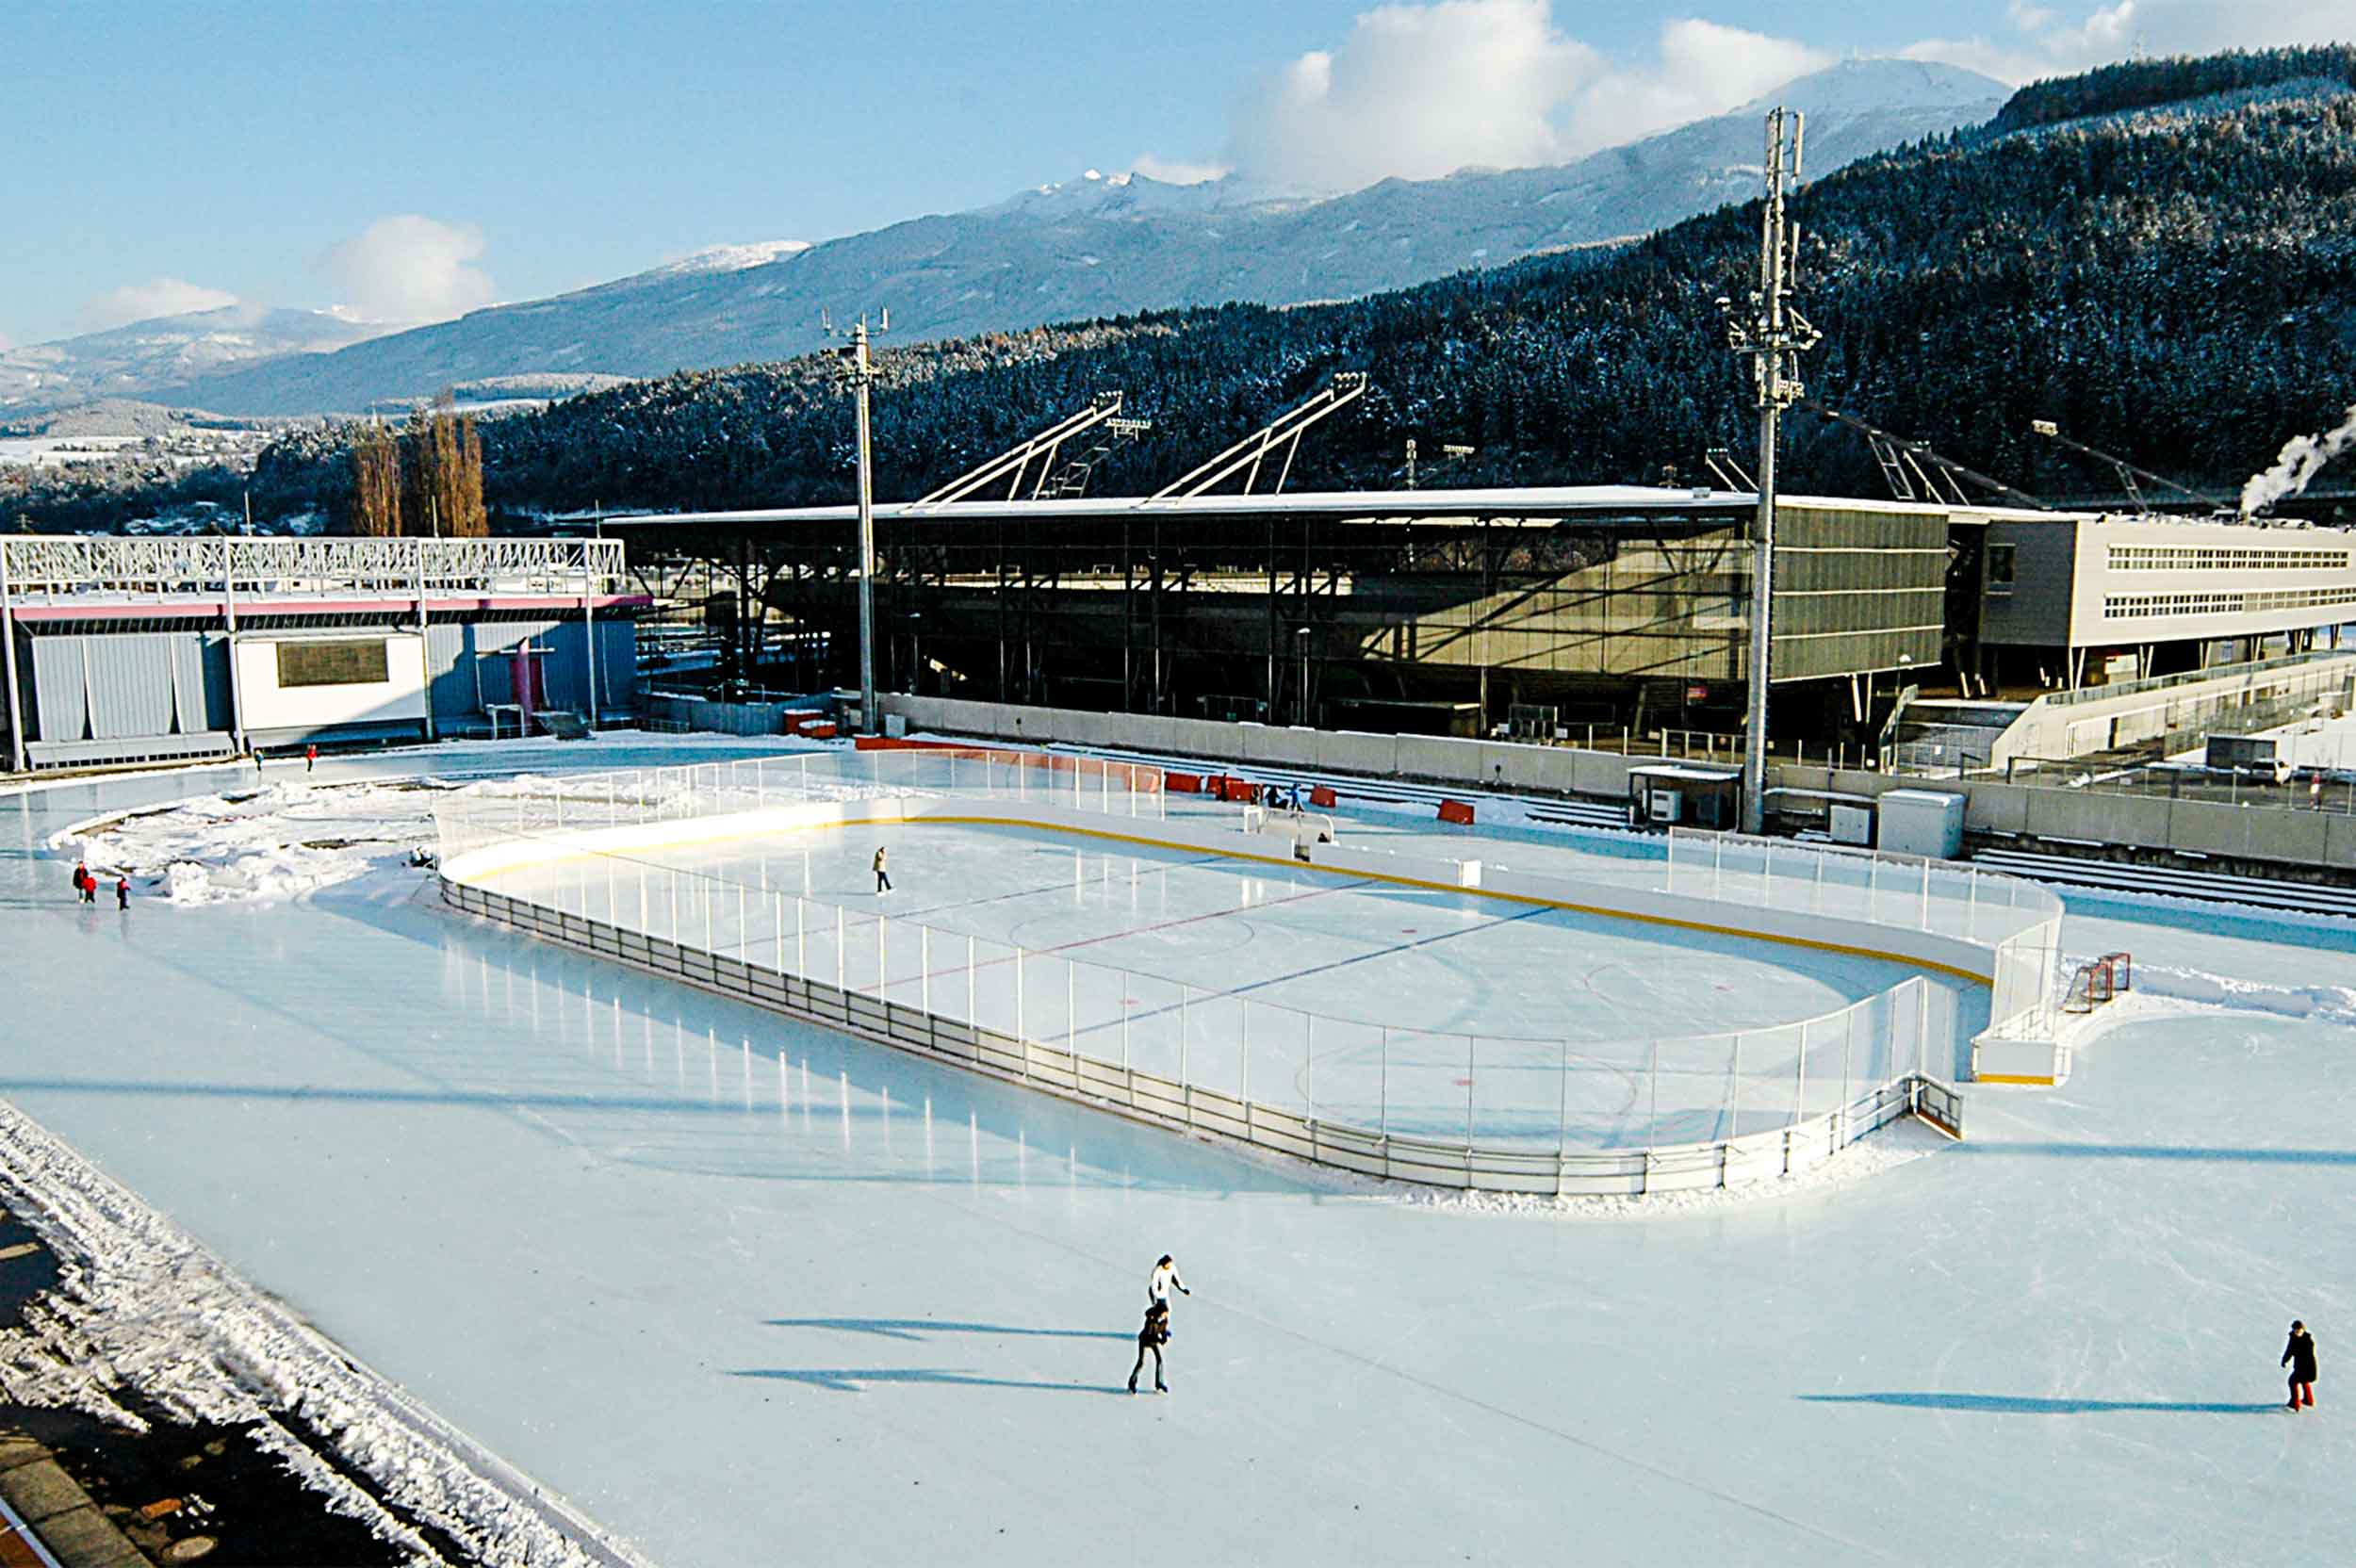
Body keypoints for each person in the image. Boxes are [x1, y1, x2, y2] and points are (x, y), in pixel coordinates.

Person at [1127, 1300, 1170, 1395]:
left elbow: (1163, 1329)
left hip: (1154, 1341)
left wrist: (1164, 1337)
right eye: (1165, 1313)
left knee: (1159, 1360)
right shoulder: (1151, 1321)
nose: (1166, 1315)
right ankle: (1132, 1383)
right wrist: (1159, 1340)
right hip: (1145, 1340)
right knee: (1141, 1362)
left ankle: (1159, 1383)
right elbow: (1150, 1335)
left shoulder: (1164, 1320)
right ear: (1160, 1312)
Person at [1147, 1254, 1190, 1335]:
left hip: (1165, 1293)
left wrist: (1183, 1288)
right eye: (1168, 1263)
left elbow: (1177, 1279)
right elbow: (1154, 1284)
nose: (1169, 1265)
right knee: (1162, 1312)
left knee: (1168, 1310)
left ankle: (1162, 1329)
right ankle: (1157, 1330)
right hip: (1158, 1294)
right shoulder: (1158, 1270)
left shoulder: (1172, 1268)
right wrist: (1157, 1295)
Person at [2283, 1320, 2318, 1411]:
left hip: (2307, 1367)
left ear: (2303, 1330)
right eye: (2296, 1331)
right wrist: (2285, 1360)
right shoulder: (2293, 1338)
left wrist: (2296, 1353)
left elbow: (2305, 1354)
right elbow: (2289, 1350)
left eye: (2300, 1330)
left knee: (2293, 1381)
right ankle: (2308, 1400)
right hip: (2300, 1367)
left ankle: (2295, 1403)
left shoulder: (2307, 1341)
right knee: (2303, 1381)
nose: (2298, 1332)